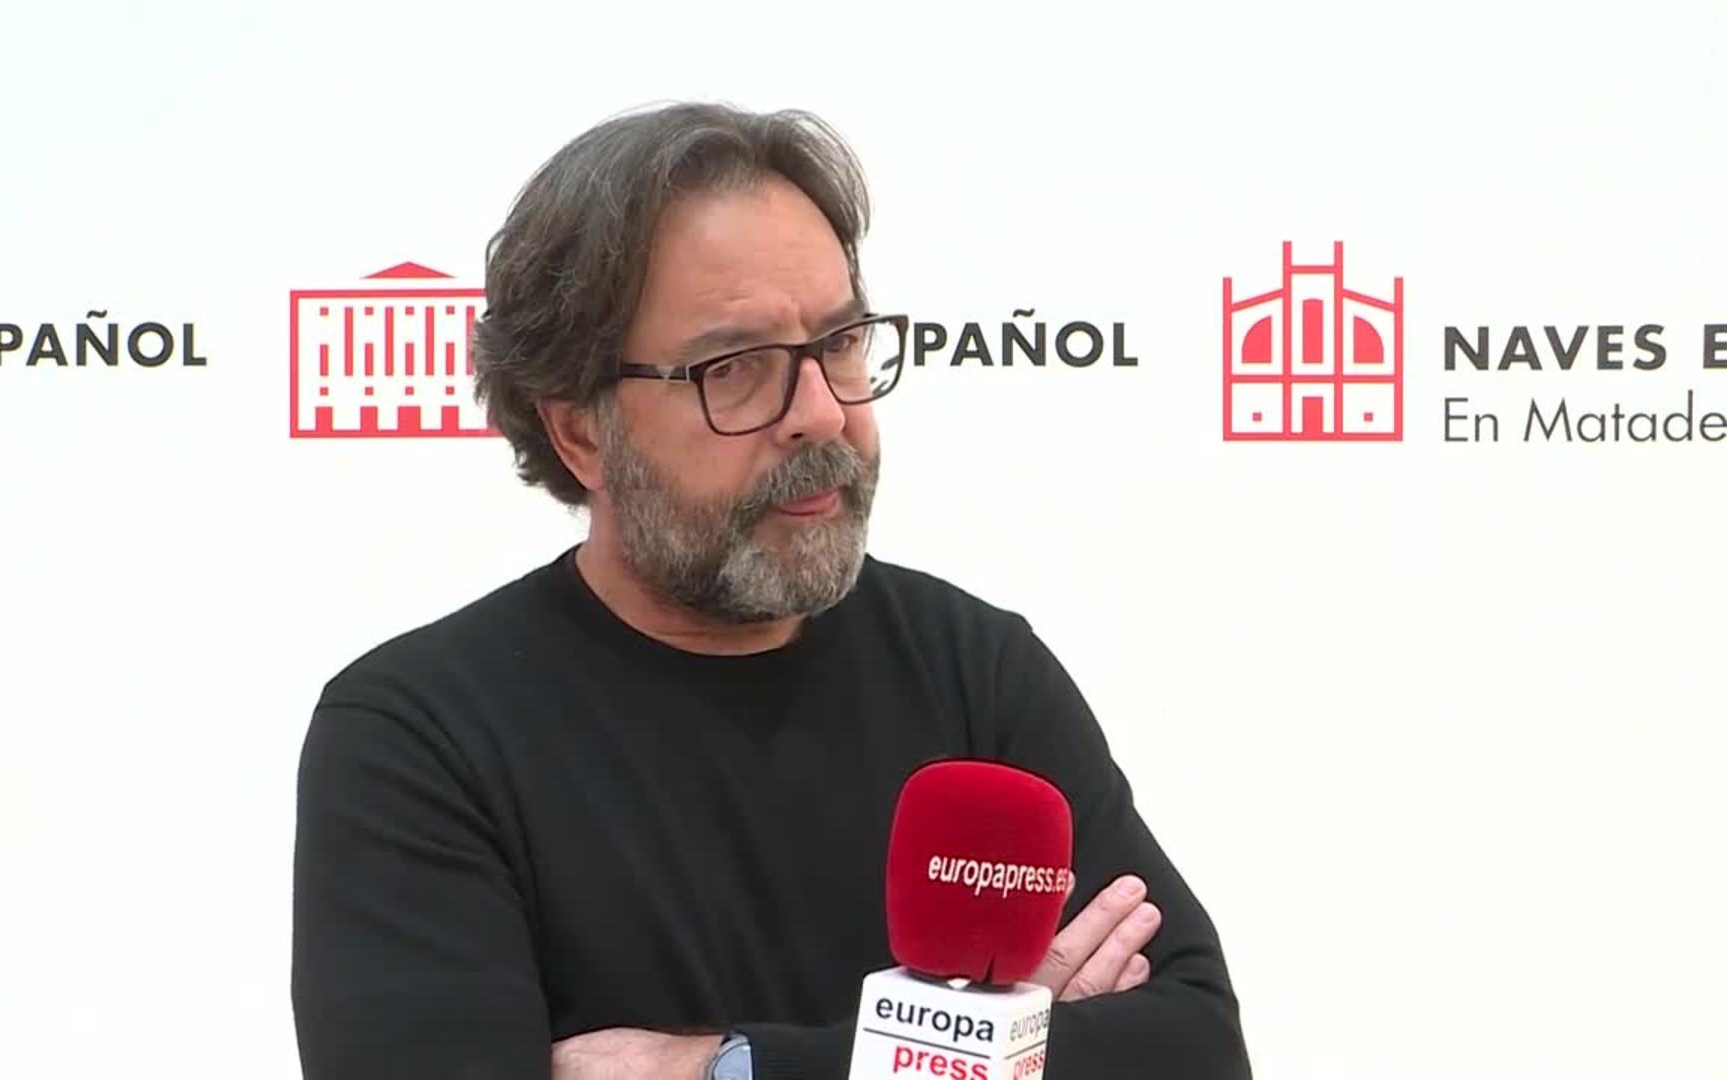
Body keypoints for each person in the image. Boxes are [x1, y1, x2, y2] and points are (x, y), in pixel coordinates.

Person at [290, 101, 1252, 1080]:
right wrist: (990, 1048)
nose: (821, 413)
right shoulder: (420, 736)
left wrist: (726, 1069)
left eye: (840, 343)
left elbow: (1194, 1050)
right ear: (581, 431)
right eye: (737, 368)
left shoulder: (975, 668)